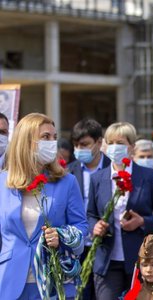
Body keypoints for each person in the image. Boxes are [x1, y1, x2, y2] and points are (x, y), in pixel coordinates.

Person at [0, 113, 88, 299]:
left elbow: (81, 227)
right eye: (45, 137)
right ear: (26, 141)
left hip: (53, 281)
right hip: (9, 280)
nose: (51, 142)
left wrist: (62, 236)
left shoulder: (67, 182)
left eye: (54, 137)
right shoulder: (2, 182)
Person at [88, 122, 153, 299]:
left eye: (121, 143)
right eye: (111, 143)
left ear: (132, 146)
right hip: (107, 259)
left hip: (143, 260)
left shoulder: (148, 176)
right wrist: (95, 226)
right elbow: (90, 214)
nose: (115, 148)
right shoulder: (97, 179)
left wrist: (144, 222)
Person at [68, 117, 111, 300]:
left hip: (105, 246)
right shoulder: (68, 172)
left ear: (99, 142)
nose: (79, 150)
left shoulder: (113, 169)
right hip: (76, 247)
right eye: (76, 145)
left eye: (84, 144)